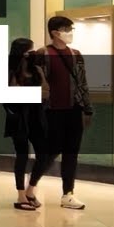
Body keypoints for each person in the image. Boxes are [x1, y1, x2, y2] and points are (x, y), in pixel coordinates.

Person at [34, 16, 93, 210]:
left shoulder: (76, 54)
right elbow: (37, 84)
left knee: (71, 152)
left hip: (74, 110)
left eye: (71, 28)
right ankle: (31, 186)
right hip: (52, 111)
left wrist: (87, 108)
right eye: (66, 28)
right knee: (50, 152)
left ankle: (68, 193)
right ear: (55, 33)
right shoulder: (43, 54)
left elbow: (82, 83)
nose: (70, 32)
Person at [3, 38, 49, 211]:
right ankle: (20, 194)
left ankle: (31, 190)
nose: (33, 53)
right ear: (21, 52)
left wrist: (27, 94)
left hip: (37, 116)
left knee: (43, 155)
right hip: (18, 118)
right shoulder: (9, 71)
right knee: (22, 156)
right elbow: (9, 95)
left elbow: (46, 92)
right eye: (30, 50)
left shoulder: (37, 70)